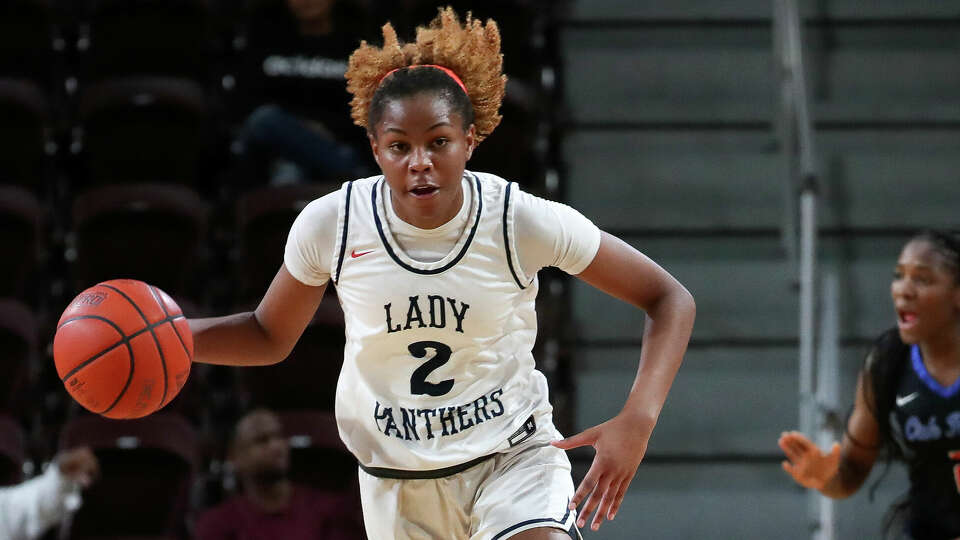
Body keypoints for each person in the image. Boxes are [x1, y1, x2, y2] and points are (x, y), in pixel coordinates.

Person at [190, 8, 695, 538]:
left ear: (470, 140)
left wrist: (638, 420)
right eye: (399, 147)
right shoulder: (331, 224)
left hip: (512, 459)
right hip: (397, 481)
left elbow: (668, 298)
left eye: (438, 142)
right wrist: (175, 338)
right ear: (375, 150)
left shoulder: (518, 219)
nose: (419, 162)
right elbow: (268, 334)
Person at [779, 230, 960, 539]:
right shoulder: (887, 362)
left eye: (923, 279)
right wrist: (825, 477)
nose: (904, 290)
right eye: (899, 276)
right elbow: (850, 474)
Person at [233, 0, 373, 185]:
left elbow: (367, 110)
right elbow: (246, 100)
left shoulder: (356, 47)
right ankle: (357, 177)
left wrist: (320, 130)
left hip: (337, 142)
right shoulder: (266, 41)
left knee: (290, 172)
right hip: (272, 146)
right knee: (265, 120)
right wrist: (299, 129)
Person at [195, 408, 364, 540]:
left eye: (279, 436)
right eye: (262, 440)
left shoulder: (328, 510)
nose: (276, 446)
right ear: (234, 457)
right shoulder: (218, 524)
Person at [0, 446, 99, 540]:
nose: (87, 482)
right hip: (11, 507)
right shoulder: (53, 481)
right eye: (86, 474)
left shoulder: (73, 486)